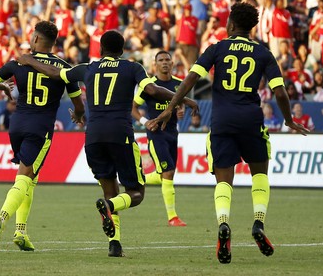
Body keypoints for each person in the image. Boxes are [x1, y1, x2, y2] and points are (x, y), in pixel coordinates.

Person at [148, 3, 309, 264]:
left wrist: (170, 107)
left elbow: (190, 78)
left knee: (224, 180)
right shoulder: (263, 53)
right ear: (251, 26)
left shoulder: (217, 48)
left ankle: (223, 224)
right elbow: (279, 91)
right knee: (260, 174)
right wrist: (289, 119)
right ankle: (258, 223)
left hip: (222, 121)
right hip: (251, 120)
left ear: (231, 25)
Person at [17, 30, 198, 257]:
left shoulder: (88, 68)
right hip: (120, 135)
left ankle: (115, 244)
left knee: (109, 189)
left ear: (100, 49)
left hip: (93, 136)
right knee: (135, 193)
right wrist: (183, 98)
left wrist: (28, 60)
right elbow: (152, 90)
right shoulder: (132, 68)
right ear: (122, 51)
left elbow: (54, 73)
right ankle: (110, 208)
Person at [0, 21, 84, 253]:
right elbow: (78, 104)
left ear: (36, 39)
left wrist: (5, 89)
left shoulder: (18, 62)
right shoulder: (64, 67)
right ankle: (3, 218)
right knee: (25, 177)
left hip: (17, 124)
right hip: (40, 127)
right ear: (54, 42)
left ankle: (21, 231)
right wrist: (78, 116)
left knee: (29, 176)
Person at [131, 50, 187, 227]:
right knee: (168, 172)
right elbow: (132, 108)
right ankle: (172, 217)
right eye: (161, 60)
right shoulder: (149, 86)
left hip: (172, 132)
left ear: (172, 63)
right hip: (156, 134)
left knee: (165, 174)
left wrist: (181, 110)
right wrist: (145, 121)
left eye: (167, 60)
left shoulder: (180, 84)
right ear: (155, 64)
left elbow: (181, 106)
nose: (164, 62)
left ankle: (134, 179)